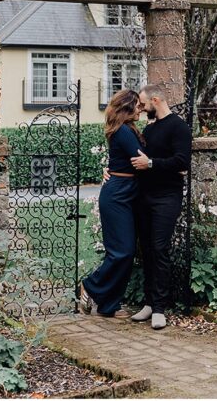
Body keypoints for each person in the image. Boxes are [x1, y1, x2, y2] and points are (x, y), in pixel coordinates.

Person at [128, 84, 192, 330]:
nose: (141, 109)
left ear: (156, 100)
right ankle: (148, 302)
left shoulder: (179, 127)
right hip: (144, 196)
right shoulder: (149, 128)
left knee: (159, 248)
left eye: (143, 105)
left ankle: (159, 308)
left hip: (167, 197)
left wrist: (152, 164)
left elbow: (181, 161)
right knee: (145, 249)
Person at [78, 89, 143, 318]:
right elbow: (141, 158)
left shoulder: (129, 129)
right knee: (121, 252)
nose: (140, 108)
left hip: (126, 191)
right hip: (117, 195)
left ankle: (109, 306)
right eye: (137, 105)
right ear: (126, 107)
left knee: (124, 251)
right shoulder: (123, 131)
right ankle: (89, 285)